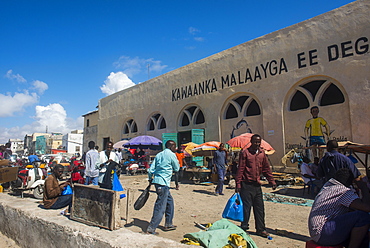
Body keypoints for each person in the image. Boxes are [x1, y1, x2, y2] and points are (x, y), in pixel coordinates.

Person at [308, 168, 370, 247]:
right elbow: (367, 207)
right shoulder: (342, 191)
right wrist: (363, 187)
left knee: (359, 231)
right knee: (363, 217)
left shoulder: (329, 186)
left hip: (317, 233)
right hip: (323, 233)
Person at [235, 134, 277, 238]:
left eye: (259, 142)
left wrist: (271, 181)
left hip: (257, 186)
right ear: (251, 142)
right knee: (246, 208)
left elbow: (266, 168)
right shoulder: (245, 153)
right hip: (246, 185)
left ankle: (261, 229)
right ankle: (244, 228)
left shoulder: (262, 154)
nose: (257, 144)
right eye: (255, 142)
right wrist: (238, 184)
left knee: (259, 208)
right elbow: (240, 169)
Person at [145, 140, 179, 235]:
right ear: (171, 146)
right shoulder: (172, 155)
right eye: (174, 146)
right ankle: (151, 229)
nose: (175, 148)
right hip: (164, 183)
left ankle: (168, 223)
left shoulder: (159, 155)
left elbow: (150, 170)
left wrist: (150, 179)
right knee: (160, 206)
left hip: (158, 182)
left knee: (170, 202)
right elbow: (176, 168)